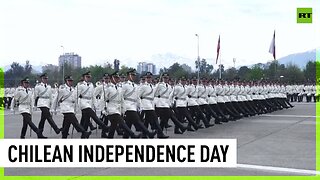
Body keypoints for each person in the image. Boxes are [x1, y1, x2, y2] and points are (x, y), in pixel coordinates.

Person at [122, 69, 156, 138]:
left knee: (129, 123)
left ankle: (125, 136)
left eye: (134, 75)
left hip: (133, 106)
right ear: (128, 76)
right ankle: (148, 133)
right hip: (128, 106)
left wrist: (139, 106)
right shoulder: (125, 85)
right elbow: (121, 96)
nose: (134, 76)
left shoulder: (135, 86)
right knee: (138, 121)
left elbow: (137, 97)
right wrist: (122, 107)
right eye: (132, 75)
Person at [77, 71, 109, 137]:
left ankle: (84, 135)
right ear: (84, 77)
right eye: (87, 77)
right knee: (93, 115)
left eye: (89, 77)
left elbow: (93, 95)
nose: (88, 78)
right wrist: (76, 106)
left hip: (89, 103)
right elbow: (75, 96)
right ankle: (104, 126)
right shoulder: (80, 85)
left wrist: (95, 104)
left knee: (86, 120)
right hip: (83, 103)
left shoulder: (91, 85)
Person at [138, 72, 169, 138]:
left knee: (147, 120)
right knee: (155, 119)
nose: (149, 79)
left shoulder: (152, 86)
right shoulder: (143, 86)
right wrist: (140, 105)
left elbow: (154, 94)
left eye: (150, 78)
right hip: (146, 104)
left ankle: (144, 134)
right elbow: (138, 95)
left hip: (151, 103)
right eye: (147, 78)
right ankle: (160, 133)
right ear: (145, 78)